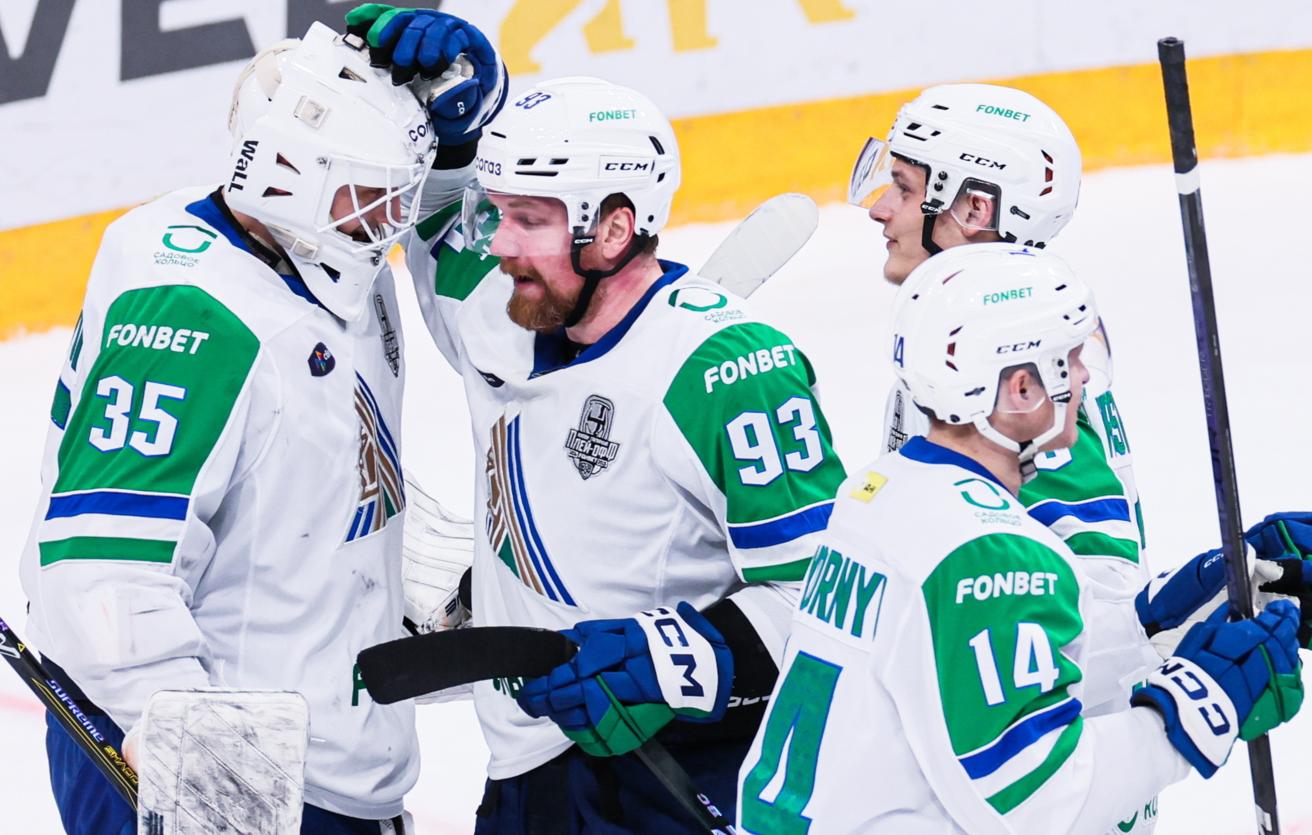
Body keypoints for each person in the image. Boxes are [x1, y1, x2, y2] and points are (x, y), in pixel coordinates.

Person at [347, 7, 848, 830]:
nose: (499, 243)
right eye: (497, 212)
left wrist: (674, 656)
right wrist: (464, 132)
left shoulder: (728, 372)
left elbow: (829, 599)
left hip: (665, 775)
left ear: (615, 227)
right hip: (519, 779)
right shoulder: (506, 311)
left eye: (530, 219)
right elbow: (440, 222)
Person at [19, 22, 453, 833]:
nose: (392, 218)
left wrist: (404, 579)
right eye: (370, 192)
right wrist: (218, 781)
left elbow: (304, 464)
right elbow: (102, 570)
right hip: (206, 776)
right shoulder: (193, 314)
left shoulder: (334, 265)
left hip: (325, 770)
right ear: (287, 175)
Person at [736, 244, 1304, 834]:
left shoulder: (879, 491)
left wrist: (1146, 623)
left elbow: (963, 675)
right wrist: (1198, 706)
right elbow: (1038, 803)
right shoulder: (992, 552)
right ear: (1023, 388)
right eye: (1070, 359)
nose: (1083, 377)